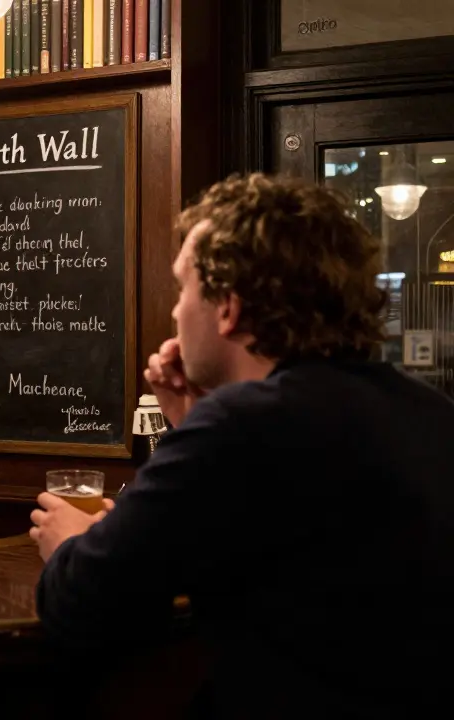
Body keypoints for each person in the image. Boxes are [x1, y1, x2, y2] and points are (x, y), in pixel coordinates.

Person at [30, 174, 454, 718]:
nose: (177, 312)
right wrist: (189, 421)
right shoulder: (428, 410)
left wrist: (68, 542)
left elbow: (81, 606)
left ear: (227, 308)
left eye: (183, 288)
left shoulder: (241, 426)